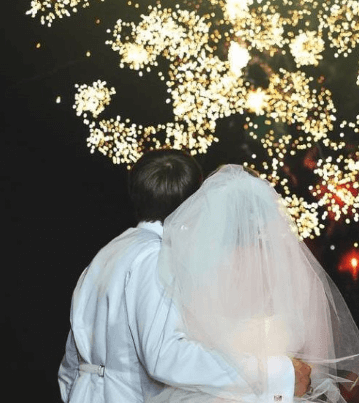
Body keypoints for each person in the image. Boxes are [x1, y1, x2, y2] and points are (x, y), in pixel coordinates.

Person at [58, 149, 311, 403]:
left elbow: (71, 361)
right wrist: (271, 374)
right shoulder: (157, 257)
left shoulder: (107, 253)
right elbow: (165, 356)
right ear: (192, 199)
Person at [153, 164, 359, 403]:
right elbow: (316, 364)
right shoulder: (295, 270)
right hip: (282, 394)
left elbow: (182, 353)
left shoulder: (197, 271)